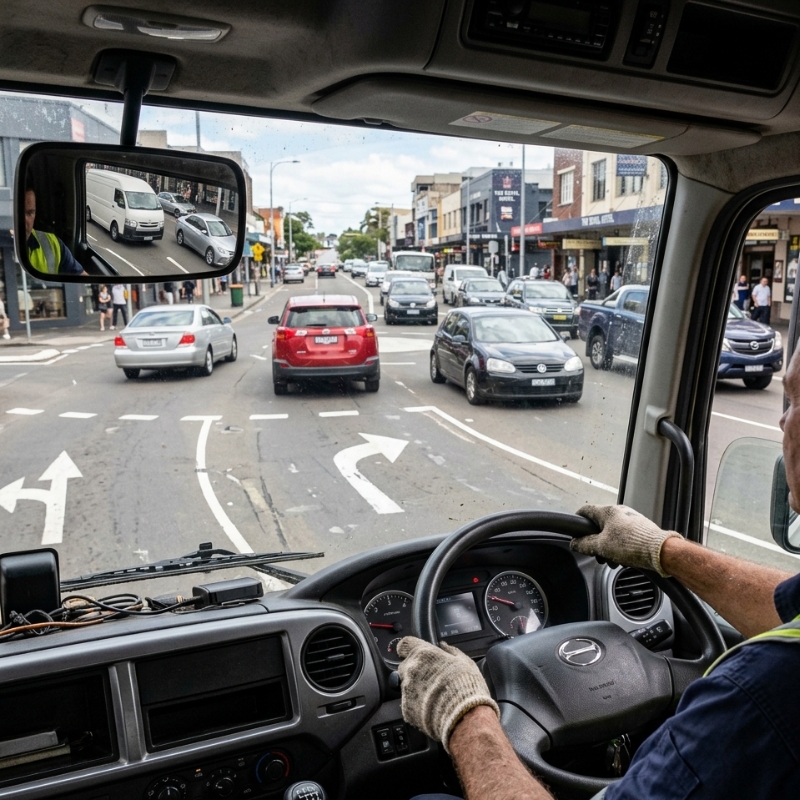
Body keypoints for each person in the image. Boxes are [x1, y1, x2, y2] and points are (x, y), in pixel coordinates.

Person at [398, 345, 800, 800]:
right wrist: (663, 550)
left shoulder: (755, 696)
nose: (781, 421)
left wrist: (467, 716)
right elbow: (786, 611)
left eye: (795, 401)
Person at [24, 187, 84, 275]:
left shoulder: (52, 244)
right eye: (17, 212)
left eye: (30, 213)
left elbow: (81, 276)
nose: (24, 221)